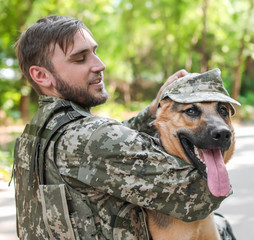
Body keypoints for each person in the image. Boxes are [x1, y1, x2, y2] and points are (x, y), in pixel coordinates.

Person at [13, 15, 233, 239]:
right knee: (222, 227)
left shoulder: (39, 131)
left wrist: (151, 112)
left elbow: (102, 151)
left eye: (94, 52)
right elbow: (198, 197)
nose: (100, 65)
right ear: (41, 75)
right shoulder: (93, 137)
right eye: (80, 59)